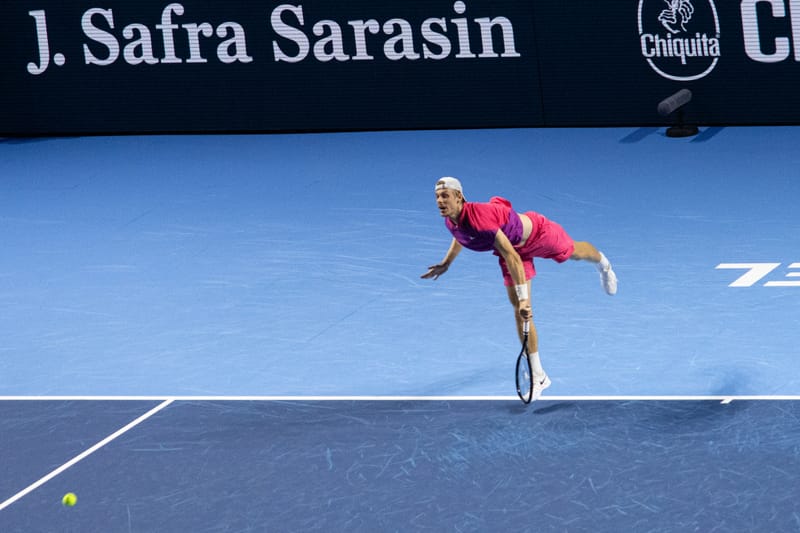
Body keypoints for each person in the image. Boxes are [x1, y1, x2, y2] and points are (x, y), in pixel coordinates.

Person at [421, 177, 617, 401]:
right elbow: (462, 236)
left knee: (575, 252)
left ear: (459, 197)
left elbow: (511, 255)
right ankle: (539, 374)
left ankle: (604, 263)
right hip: (509, 251)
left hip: (537, 236)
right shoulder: (451, 221)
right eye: (437, 196)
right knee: (519, 311)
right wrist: (447, 263)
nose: (440, 201)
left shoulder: (480, 219)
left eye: (445, 195)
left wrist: (525, 298)